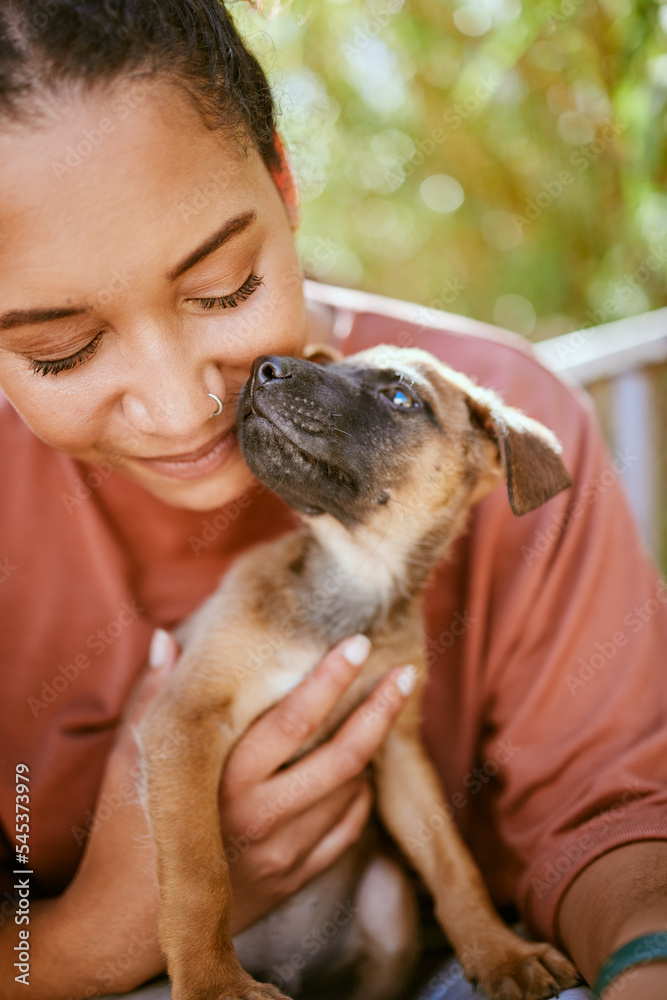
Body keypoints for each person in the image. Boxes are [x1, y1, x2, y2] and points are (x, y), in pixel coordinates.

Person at [0, 3, 665, 999]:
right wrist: (87, 942)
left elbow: (611, 810)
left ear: (282, 177)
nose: (187, 407)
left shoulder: (507, 418)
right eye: (61, 349)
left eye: (223, 287)